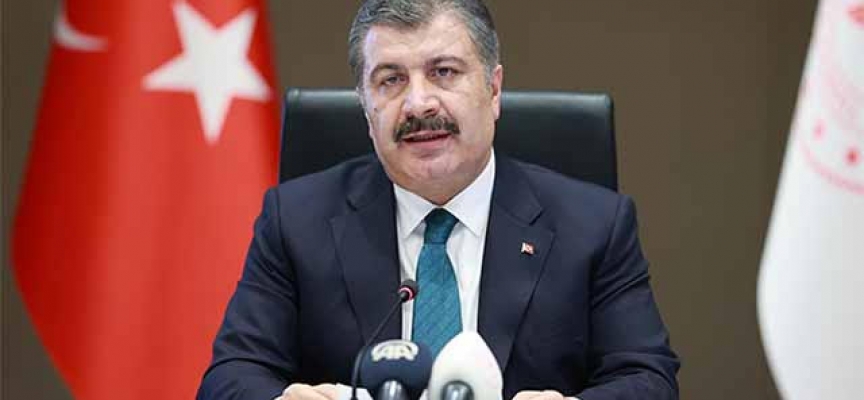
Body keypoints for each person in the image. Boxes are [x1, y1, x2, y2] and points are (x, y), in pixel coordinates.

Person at [197, 1, 680, 399]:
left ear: (493, 90)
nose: (418, 103)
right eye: (391, 80)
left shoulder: (594, 225)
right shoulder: (296, 220)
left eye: (444, 72)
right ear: (366, 108)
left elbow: (648, 380)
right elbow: (230, 378)